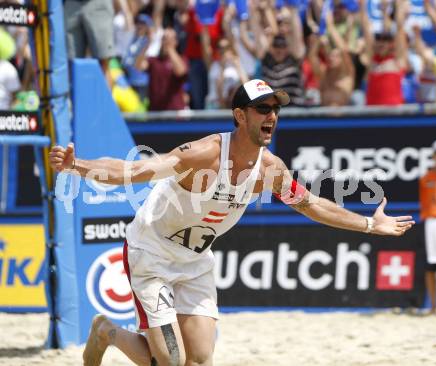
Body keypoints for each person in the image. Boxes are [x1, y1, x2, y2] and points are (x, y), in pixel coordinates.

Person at [49, 79, 415, 366]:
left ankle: (115, 333)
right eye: (262, 108)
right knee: (171, 360)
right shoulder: (204, 154)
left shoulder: (270, 169)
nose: (271, 115)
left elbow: (310, 205)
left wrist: (370, 225)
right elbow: (136, 169)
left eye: (275, 109)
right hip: (152, 254)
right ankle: (106, 331)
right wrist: (78, 166)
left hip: (195, 262)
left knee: (201, 358)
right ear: (240, 116)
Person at [419, 139, 436, 314]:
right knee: (432, 264)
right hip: (432, 222)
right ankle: (433, 306)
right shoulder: (426, 178)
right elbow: (426, 204)